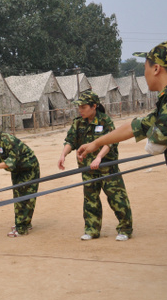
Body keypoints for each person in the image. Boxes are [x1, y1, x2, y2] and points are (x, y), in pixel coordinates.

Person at [59, 91, 133, 241]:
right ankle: (92, 229)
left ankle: (125, 229)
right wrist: (63, 155)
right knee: (90, 200)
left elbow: (111, 141)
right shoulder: (78, 122)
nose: (80, 110)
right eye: (79, 107)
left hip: (107, 167)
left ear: (94, 106)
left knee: (117, 198)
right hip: (87, 168)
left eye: (84, 107)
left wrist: (99, 157)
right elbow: (71, 140)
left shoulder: (105, 121)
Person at [78, 41, 167, 164]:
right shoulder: (163, 102)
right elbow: (133, 127)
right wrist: (96, 143)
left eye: (145, 68)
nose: (145, 74)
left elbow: (155, 144)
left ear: (156, 68)